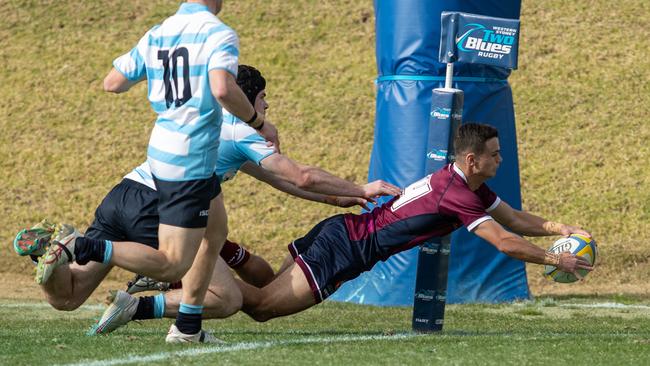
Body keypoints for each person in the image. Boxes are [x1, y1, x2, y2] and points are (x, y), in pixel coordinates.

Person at [15, 64, 401, 338]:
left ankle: (57, 251)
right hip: (164, 205)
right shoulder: (242, 130)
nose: (267, 108)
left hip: (125, 193)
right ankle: (89, 251)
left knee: (68, 297)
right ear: (248, 99)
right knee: (224, 296)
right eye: (264, 99)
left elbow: (281, 180)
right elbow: (300, 174)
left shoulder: (206, 121)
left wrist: (338, 198)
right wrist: (363, 189)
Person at [35, 0, 281, 343]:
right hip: (189, 160)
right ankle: (78, 245)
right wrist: (258, 122)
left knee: (216, 227)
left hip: (157, 156)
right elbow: (223, 88)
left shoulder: (158, 32)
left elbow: (113, 82)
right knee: (173, 266)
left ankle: (187, 328)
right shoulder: (217, 32)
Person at [229, 122, 595, 322]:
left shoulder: (466, 184)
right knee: (262, 308)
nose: (500, 160)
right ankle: (194, 287)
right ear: (472, 159)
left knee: (264, 287)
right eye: (495, 155)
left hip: (340, 232)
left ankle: (214, 263)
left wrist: (559, 229)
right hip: (345, 249)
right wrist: (553, 259)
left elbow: (513, 218)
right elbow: (504, 242)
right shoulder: (460, 194)